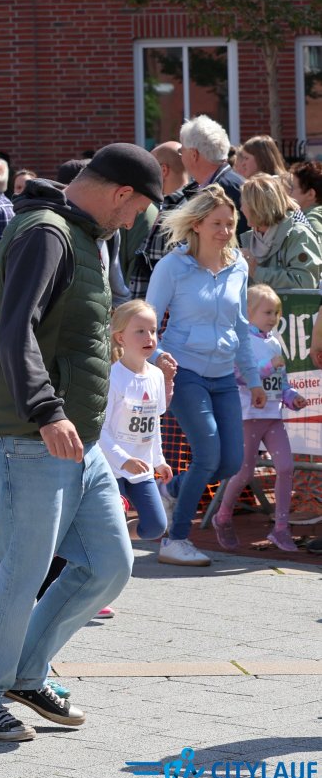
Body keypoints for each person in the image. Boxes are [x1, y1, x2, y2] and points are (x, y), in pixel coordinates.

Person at [0, 146, 161, 742]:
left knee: (108, 564)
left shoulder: (84, 235)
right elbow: (15, 330)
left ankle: (23, 675)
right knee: (20, 571)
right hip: (24, 435)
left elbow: (77, 332)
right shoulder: (48, 233)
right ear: (121, 193)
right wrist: (45, 409)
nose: (133, 220)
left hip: (74, 438)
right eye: (137, 208)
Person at [147, 185, 264, 567]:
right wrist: (159, 358)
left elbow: (241, 326)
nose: (226, 231)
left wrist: (253, 378)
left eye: (230, 223)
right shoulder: (172, 267)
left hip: (224, 376)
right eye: (217, 223)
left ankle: (172, 489)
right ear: (196, 225)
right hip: (185, 372)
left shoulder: (238, 266)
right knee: (207, 455)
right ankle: (175, 539)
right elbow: (148, 321)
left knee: (230, 462)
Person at [214, 284, 307, 552]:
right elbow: (239, 376)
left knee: (286, 468)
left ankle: (280, 529)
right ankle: (223, 516)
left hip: (273, 417)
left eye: (276, 312)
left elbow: (282, 383)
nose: (273, 318)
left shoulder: (274, 342)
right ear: (248, 313)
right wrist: (267, 367)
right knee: (244, 471)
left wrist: (292, 398)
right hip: (248, 416)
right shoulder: (241, 341)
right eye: (267, 312)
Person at [97, 300, 172, 543]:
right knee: (111, 525)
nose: (148, 337)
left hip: (141, 469)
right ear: (120, 338)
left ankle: (118, 537)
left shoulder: (157, 375)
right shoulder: (112, 377)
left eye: (153, 330)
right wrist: (124, 460)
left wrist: (159, 460)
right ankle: (109, 543)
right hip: (111, 469)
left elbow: (154, 423)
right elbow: (100, 430)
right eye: (140, 331)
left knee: (155, 527)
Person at [240, 173, 322, 290]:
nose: (241, 208)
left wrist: (257, 272)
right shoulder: (250, 240)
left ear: (257, 207)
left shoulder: (298, 235)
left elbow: (304, 283)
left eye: (243, 203)